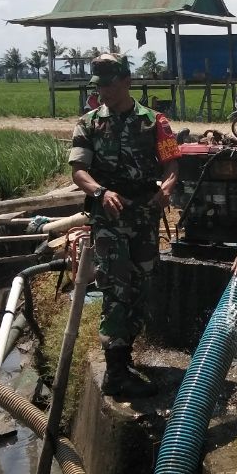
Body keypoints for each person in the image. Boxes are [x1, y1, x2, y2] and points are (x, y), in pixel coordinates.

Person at [69, 53, 180, 397]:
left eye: (108, 84)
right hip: (109, 221)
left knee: (142, 284)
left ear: (126, 82)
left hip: (144, 219)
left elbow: (172, 165)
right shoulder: (88, 124)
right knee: (116, 288)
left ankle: (125, 352)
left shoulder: (155, 122)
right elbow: (78, 172)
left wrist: (166, 188)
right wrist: (100, 192)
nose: (102, 91)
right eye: (98, 85)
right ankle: (116, 371)